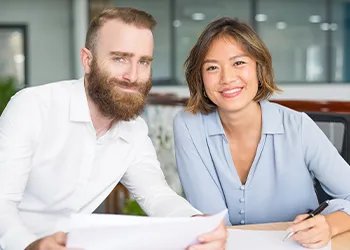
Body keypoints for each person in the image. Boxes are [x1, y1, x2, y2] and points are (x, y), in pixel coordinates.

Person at [0, 7, 228, 250]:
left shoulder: (134, 129)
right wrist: (30, 246)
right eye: (120, 58)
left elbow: (156, 195)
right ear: (88, 60)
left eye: (143, 62)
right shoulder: (33, 106)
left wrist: (196, 225)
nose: (133, 75)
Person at [173, 17, 350, 249]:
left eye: (239, 63)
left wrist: (329, 225)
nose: (227, 78)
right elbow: (213, 223)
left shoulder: (298, 126)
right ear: (200, 78)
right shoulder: (189, 126)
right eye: (212, 67)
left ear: (259, 68)